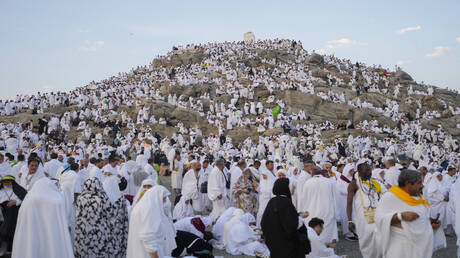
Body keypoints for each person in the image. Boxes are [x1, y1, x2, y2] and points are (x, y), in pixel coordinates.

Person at [375, 169, 440, 258]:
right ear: (408, 184)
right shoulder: (390, 197)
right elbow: (379, 218)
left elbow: (419, 218)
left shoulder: (417, 197)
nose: (422, 185)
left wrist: (430, 222)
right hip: (401, 250)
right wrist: (400, 216)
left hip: (419, 250)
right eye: (419, 183)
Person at [12, 177, 74, 258]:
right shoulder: (57, 199)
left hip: (32, 235)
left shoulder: (28, 200)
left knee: (32, 250)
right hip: (53, 236)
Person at [261, 178, 310, 258]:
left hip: (273, 242)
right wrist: (300, 217)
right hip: (286, 244)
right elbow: (291, 225)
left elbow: (265, 222)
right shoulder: (286, 202)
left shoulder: (272, 201)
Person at [127, 185, 176, 258]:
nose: (165, 201)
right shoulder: (149, 209)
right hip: (146, 253)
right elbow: (148, 237)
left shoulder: (145, 205)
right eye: (164, 198)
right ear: (157, 197)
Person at [346, 163, 382, 258]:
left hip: (376, 215)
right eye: (366, 170)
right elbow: (349, 203)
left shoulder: (374, 183)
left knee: (379, 240)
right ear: (360, 172)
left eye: (369, 170)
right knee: (366, 241)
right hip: (363, 218)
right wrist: (350, 221)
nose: (369, 172)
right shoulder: (354, 185)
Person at [299, 166, 338, 244]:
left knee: (314, 234)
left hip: (312, 211)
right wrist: (337, 214)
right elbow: (335, 198)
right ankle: (328, 251)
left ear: (311, 173)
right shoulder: (329, 182)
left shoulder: (308, 183)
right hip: (327, 210)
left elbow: (303, 199)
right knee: (327, 233)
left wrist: (302, 212)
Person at [0, 175, 27, 256]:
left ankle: (9, 246)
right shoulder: (1, 190)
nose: (7, 183)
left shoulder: (18, 190)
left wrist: (17, 201)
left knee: (10, 221)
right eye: (5, 181)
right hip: (2, 212)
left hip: (15, 212)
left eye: (9, 181)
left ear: (13, 182)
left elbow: (26, 199)